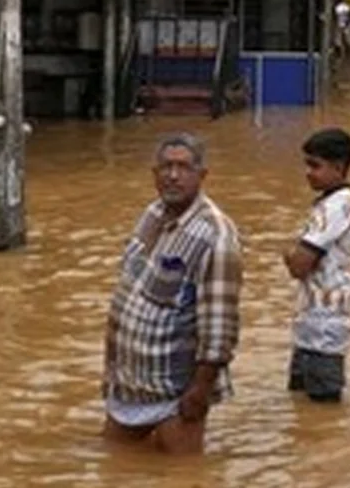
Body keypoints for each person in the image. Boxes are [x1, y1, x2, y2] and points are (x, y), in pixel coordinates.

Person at [102, 134, 244, 455]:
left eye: (183, 167)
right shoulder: (151, 214)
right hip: (128, 384)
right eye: (166, 167)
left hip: (174, 394)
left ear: (202, 175)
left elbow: (220, 328)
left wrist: (199, 391)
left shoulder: (216, 236)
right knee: (113, 470)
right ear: (154, 173)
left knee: (185, 484)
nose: (173, 175)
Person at [284, 127, 350, 404]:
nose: (308, 172)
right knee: (304, 410)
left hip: (326, 329)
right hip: (313, 325)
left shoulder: (336, 207)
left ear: (339, 167)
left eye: (315, 165)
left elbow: (299, 265)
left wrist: (289, 254)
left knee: (321, 409)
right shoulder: (333, 204)